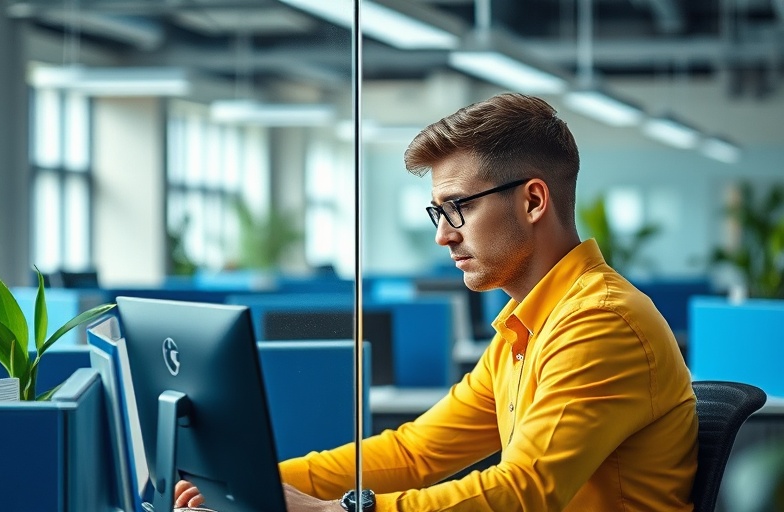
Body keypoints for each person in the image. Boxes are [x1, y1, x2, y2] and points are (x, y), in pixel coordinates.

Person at [175, 93, 697, 511]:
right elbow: (416, 451)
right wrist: (248, 484)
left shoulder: (599, 321)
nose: (443, 236)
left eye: (458, 208)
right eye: (437, 212)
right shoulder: (528, 328)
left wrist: (331, 511)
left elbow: (524, 492)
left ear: (533, 200)